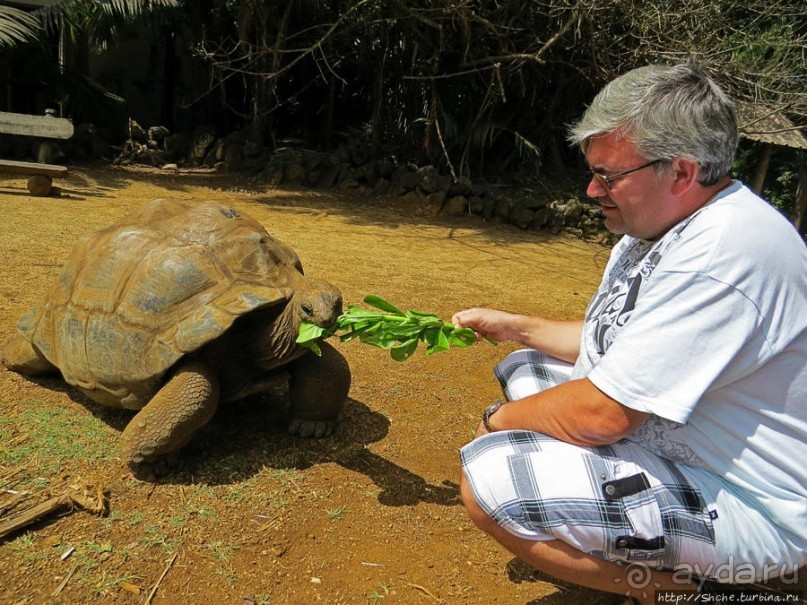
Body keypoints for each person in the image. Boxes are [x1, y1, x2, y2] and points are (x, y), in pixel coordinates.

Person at [452, 62, 806, 603]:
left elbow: (603, 414)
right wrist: (514, 327)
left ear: (682, 172)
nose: (593, 189)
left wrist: (493, 422)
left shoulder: (719, 253)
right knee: (525, 367)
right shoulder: (657, 227)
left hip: (757, 503)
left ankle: (673, 593)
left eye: (609, 176)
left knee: (490, 479)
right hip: (685, 443)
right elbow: (610, 340)